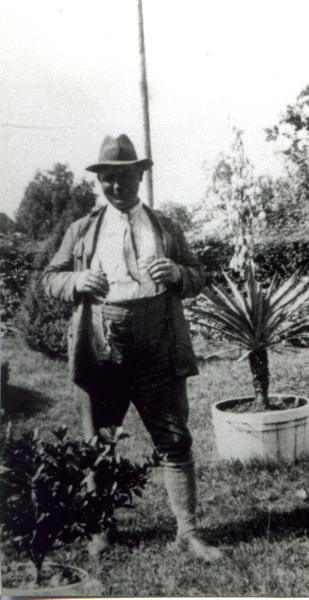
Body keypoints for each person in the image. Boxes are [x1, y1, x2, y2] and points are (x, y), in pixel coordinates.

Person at [43, 134, 222, 563]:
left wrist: (177, 271)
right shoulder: (82, 229)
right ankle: (102, 527)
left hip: (158, 343)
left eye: (124, 177)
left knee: (174, 439)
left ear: (140, 175)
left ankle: (188, 531)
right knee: (99, 442)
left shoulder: (164, 226)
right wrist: (75, 281)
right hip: (102, 346)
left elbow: (198, 275)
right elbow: (51, 277)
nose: (116, 186)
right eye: (107, 178)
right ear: (99, 181)